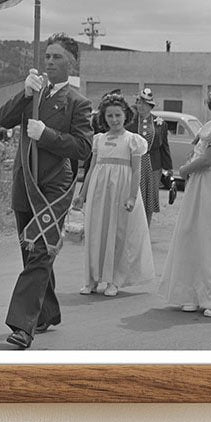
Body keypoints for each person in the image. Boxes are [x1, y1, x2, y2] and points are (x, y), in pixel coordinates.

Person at [0, 34, 93, 350]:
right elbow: (3, 119)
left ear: (71, 63)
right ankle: (47, 312)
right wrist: (24, 95)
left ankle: (23, 325)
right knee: (32, 252)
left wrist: (47, 135)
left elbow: (82, 148)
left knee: (40, 251)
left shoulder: (78, 102)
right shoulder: (34, 93)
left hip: (55, 185)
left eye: (57, 57)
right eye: (47, 56)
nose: (50, 62)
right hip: (25, 181)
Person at [158, 84, 211, 318]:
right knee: (208, 237)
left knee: (204, 236)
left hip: (209, 183)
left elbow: (208, 158)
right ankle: (195, 294)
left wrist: (183, 170)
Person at [73, 93, 154, 297]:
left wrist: (132, 197)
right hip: (99, 192)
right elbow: (91, 169)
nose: (114, 120)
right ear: (104, 118)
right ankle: (91, 279)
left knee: (117, 235)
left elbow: (136, 171)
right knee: (96, 232)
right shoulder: (98, 140)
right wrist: (81, 195)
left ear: (126, 115)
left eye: (118, 115)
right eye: (110, 116)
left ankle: (114, 280)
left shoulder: (133, 141)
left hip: (121, 192)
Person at [129, 87, 172, 227]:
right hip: (132, 164)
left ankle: (145, 229)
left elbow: (164, 146)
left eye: (143, 103)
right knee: (133, 196)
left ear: (150, 106)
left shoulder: (160, 123)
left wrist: (168, 168)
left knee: (149, 199)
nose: (140, 106)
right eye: (138, 103)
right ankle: (131, 228)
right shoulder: (130, 122)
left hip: (153, 165)